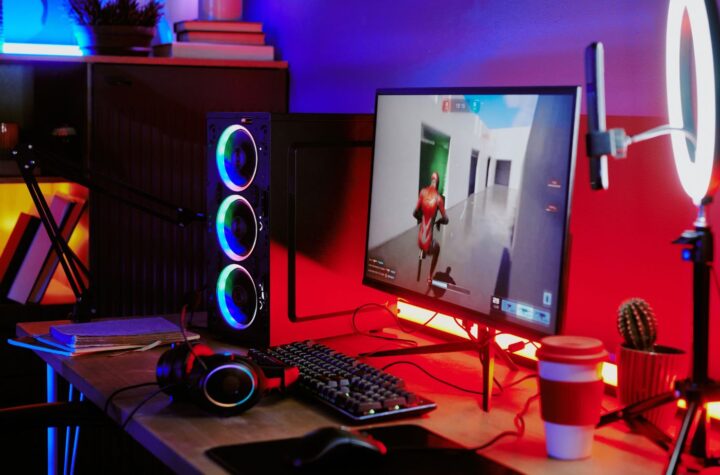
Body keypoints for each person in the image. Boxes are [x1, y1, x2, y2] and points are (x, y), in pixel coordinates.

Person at [413, 171, 449, 283]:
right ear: (438, 183)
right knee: (437, 249)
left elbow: (414, 213)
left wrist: (421, 220)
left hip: (419, 240)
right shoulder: (438, 199)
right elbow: (446, 220)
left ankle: (422, 251)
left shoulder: (423, 192)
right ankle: (429, 276)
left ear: (431, 180)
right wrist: (438, 222)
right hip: (428, 244)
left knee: (424, 233)